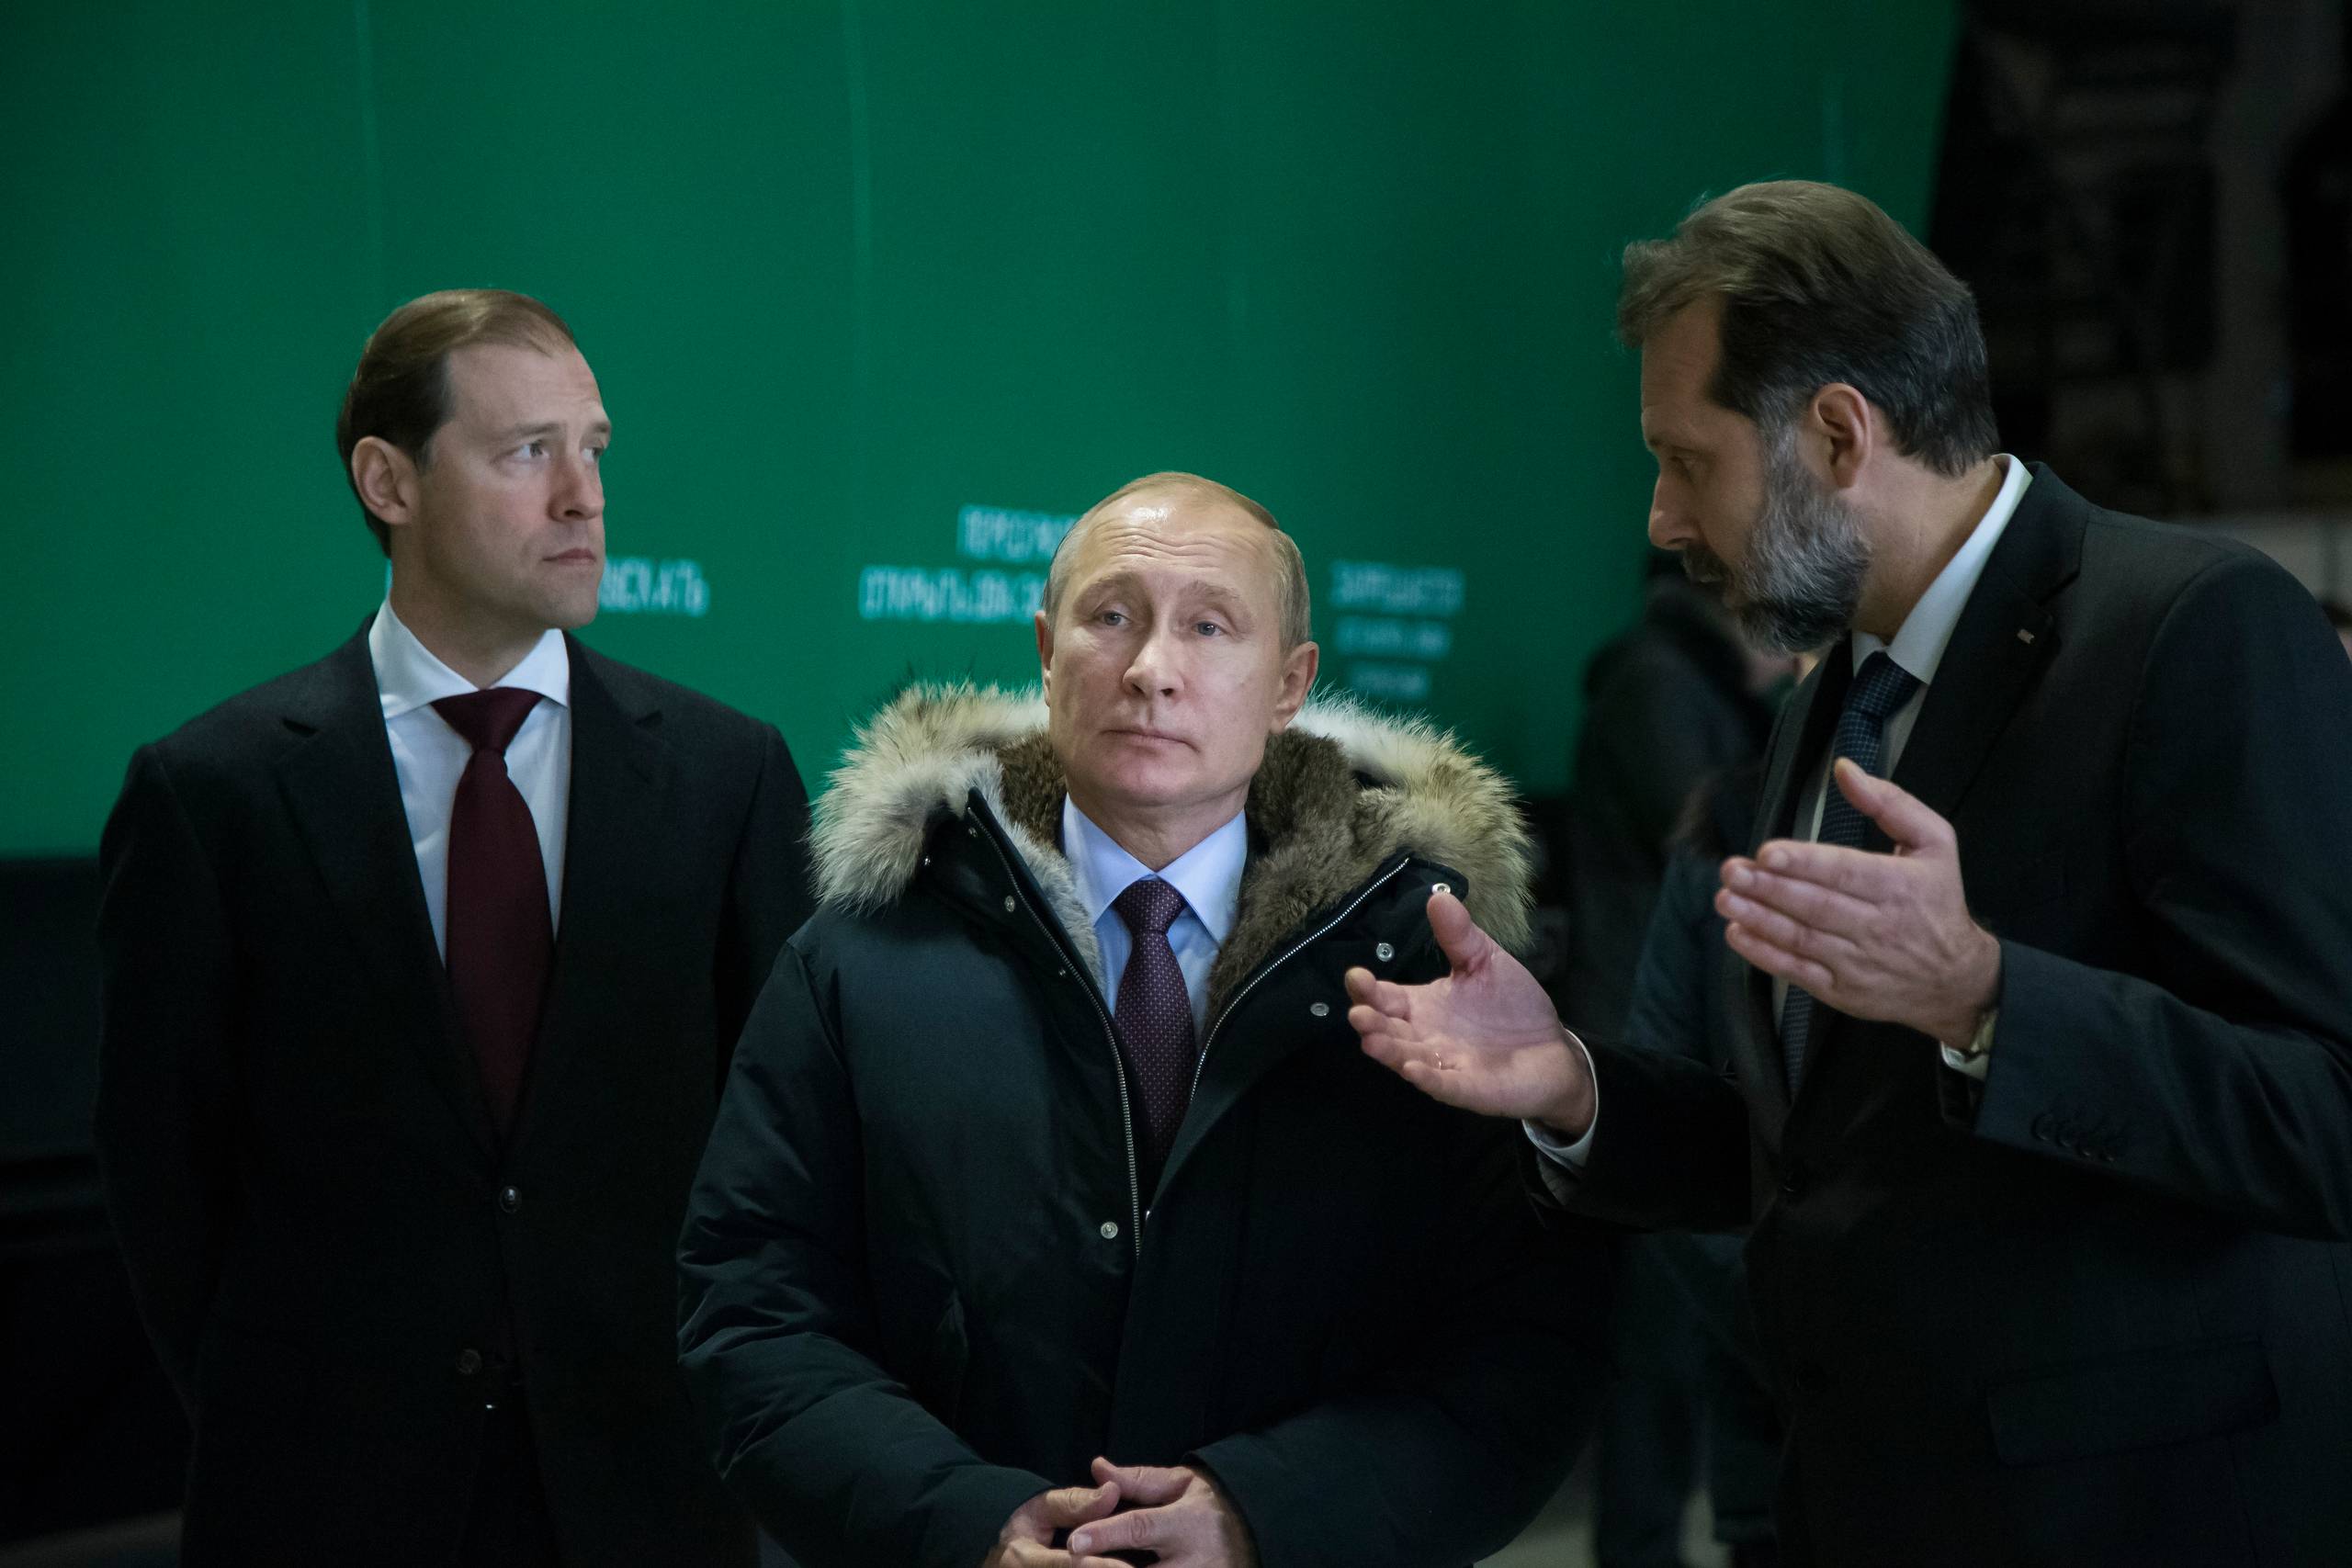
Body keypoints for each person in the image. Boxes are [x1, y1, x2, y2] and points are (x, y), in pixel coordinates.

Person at [1347, 182, 2352, 1566]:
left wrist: (1987, 993)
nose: (1659, 518)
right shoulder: (1836, 701)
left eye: (1685, 460)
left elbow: (2326, 1112)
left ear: (1835, 433)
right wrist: (1573, 1082)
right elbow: (1820, 1151)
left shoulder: (2198, 627)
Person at [678, 472, 1606, 1568]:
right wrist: (966, 1520)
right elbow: (755, 1312)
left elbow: (1521, 1354)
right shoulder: (861, 960)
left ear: (1289, 684)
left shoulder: (1433, 978)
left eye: (1210, 627)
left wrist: (1262, 1513)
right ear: (1045, 650)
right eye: (1110, 617)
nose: (1151, 671)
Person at [94, 289, 812, 1566]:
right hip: (321, 1498)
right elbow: (165, 1176)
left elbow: (780, 1150)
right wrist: (285, 1413)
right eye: (527, 451)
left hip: (649, 1490)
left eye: (593, 449)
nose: (583, 497)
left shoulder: (727, 775)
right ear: (389, 480)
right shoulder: (214, 793)